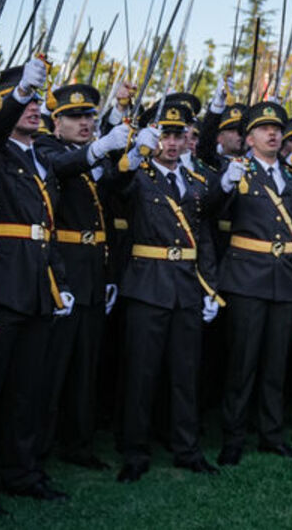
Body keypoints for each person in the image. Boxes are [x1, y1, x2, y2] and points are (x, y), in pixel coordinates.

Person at [0, 58, 72, 514]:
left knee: (27, 392)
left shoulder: (41, 157)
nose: (33, 108)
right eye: (21, 100)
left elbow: (47, 227)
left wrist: (58, 281)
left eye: (34, 100)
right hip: (3, 286)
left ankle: (21, 471)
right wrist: (16, 96)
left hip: (37, 286)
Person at [114, 97, 223, 482]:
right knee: (141, 374)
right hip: (148, 284)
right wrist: (132, 153)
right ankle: (135, 451)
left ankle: (187, 448)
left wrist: (210, 287)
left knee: (185, 373)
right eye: (165, 135)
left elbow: (203, 238)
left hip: (186, 287)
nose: (172, 143)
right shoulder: (138, 175)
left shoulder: (195, 182)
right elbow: (115, 185)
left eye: (179, 135)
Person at [212, 100, 292, 466]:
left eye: (276, 129)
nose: (272, 134)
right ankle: (233, 437)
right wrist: (224, 185)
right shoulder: (236, 172)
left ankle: (271, 434)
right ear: (249, 138)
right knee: (242, 363)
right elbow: (210, 211)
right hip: (246, 278)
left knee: (277, 363)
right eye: (263, 129)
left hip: (285, 279)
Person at [36, 84, 130, 470]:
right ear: (56, 122)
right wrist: (101, 147)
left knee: (85, 367)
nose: (85, 123)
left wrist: (131, 156)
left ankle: (79, 443)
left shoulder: (93, 156)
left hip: (92, 271)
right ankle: (38, 448)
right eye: (75, 117)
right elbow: (62, 167)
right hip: (64, 271)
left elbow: (112, 193)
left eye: (89, 116)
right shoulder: (47, 148)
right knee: (53, 367)